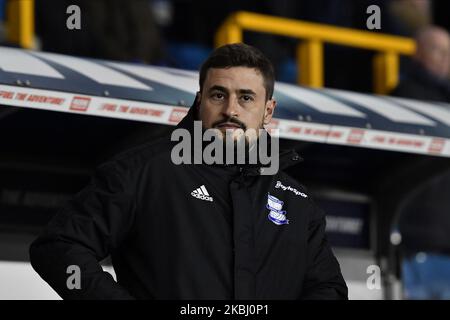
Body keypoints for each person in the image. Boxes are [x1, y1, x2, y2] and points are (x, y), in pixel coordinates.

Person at [29, 43, 348, 300]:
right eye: (218, 95)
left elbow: (329, 288)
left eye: (245, 98)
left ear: (267, 111)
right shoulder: (141, 172)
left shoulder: (297, 201)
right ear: (199, 102)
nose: (230, 110)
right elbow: (59, 247)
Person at [391, 26, 450, 102]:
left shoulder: (445, 89)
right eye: (437, 49)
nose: (445, 56)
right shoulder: (408, 91)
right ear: (418, 52)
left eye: (448, 51)